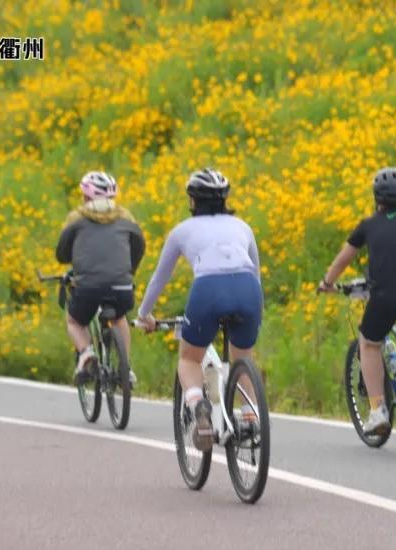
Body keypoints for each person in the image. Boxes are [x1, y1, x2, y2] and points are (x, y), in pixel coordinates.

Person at [136, 168, 263, 451]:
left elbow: (160, 278)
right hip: (247, 289)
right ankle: (252, 417)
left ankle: (197, 406)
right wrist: (258, 315)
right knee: (243, 359)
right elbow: (256, 273)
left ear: (192, 200)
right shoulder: (243, 226)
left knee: (189, 358)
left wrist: (144, 315)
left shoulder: (182, 231)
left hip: (209, 289)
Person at [318, 167, 396, 436]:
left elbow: (344, 259)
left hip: (386, 295)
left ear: (376, 197)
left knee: (369, 343)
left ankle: (378, 411)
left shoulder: (368, 225)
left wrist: (327, 282)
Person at [56, 171, 145, 386]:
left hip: (88, 287)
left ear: (86, 197)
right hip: (122, 287)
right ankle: (126, 369)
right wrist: (129, 271)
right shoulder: (126, 217)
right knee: (120, 318)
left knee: (75, 321)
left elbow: (62, 254)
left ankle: (86, 353)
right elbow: (139, 246)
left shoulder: (76, 218)